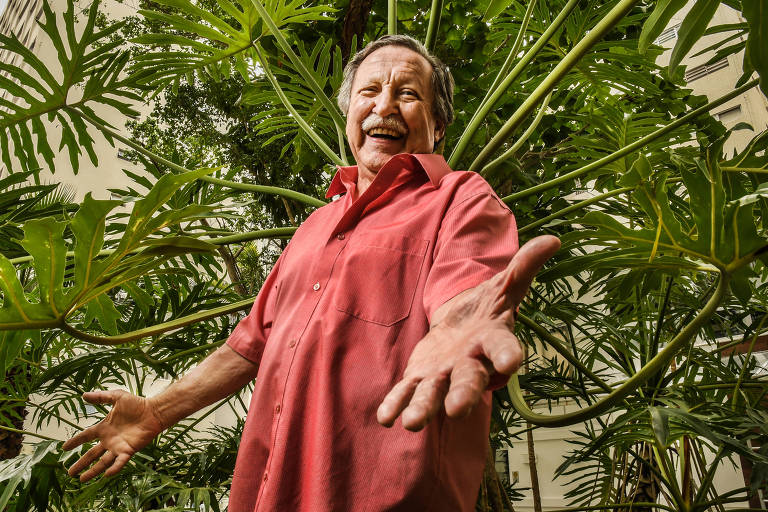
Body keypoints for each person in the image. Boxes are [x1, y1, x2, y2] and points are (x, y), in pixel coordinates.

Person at [63, 35, 560, 511]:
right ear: (349, 115)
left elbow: (463, 290)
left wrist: (459, 325)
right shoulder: (313, 227)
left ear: (439, 126)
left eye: (407, 94)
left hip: (386, 494)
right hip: (270, 490)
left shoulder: (461, 197)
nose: (384, 106)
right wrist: (155, 411)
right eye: (369, 91)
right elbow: (247, 347)